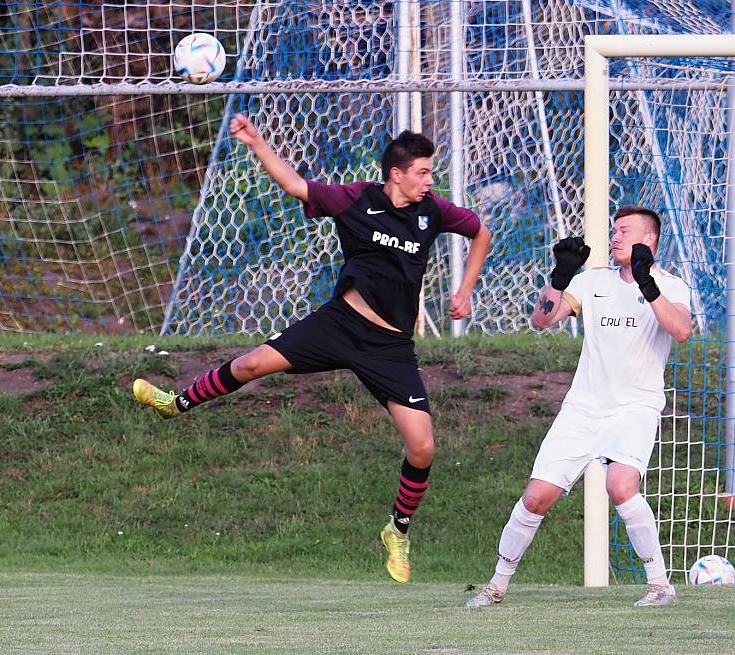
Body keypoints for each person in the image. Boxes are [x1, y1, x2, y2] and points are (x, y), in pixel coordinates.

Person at [133, 113, 491, 584]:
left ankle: (397, 531)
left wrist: (464, 290)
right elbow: (297, 186)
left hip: (390, 347)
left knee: (422, 448)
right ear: (396, 174)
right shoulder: (355, 199)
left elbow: (480, 232)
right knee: (252, 363)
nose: (430, 180)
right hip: (339, 324)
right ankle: (173, 404)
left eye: (431, 172)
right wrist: (258, 142)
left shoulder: (434, 211)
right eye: (423, 172)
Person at [466, 206, 691, 608]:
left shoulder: (670, 285)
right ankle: (496, 586)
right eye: (615, 231)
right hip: (583, 408)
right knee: (536, 497)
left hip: (635, 407)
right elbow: (542, 319)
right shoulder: (592, 282)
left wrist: (647, 284)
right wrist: (560, 277)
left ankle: (660, 586)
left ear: (650, 240)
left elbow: (681, 330)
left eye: (624, 231)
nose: (616, 237)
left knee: (620, 486)